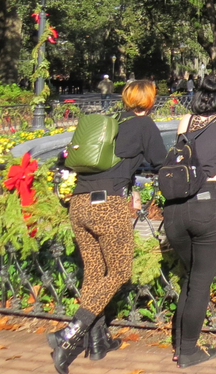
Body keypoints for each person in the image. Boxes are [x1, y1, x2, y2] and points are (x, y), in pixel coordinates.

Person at [48, 80, 167, 374]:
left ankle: (98, 342)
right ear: (149, 101)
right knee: (119, 271)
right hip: (108, 206)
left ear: (126, 99)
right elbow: (160, 161)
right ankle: (69, 334)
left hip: (79, 204)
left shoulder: (110, 123)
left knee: (95, 272)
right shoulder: (144, 125)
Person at [162, 76, 216, 368]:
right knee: (200, 282)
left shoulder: (185, 122)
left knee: (191, 277)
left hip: (174, 209)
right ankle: (187, 351)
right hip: (207, 204)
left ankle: (180, 345)